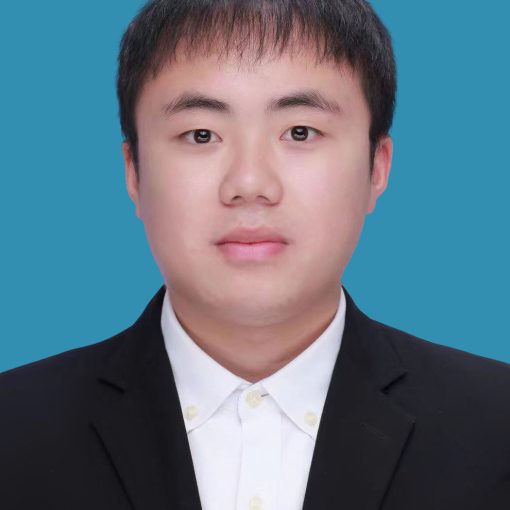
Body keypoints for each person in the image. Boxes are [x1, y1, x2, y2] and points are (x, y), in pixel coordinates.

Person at [1, 0, 509, 508]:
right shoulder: (15, 430)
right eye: (201, 134)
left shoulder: (495, 428)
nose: (249, 183)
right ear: (134, 171)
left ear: (377, 166)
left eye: (300, 132)